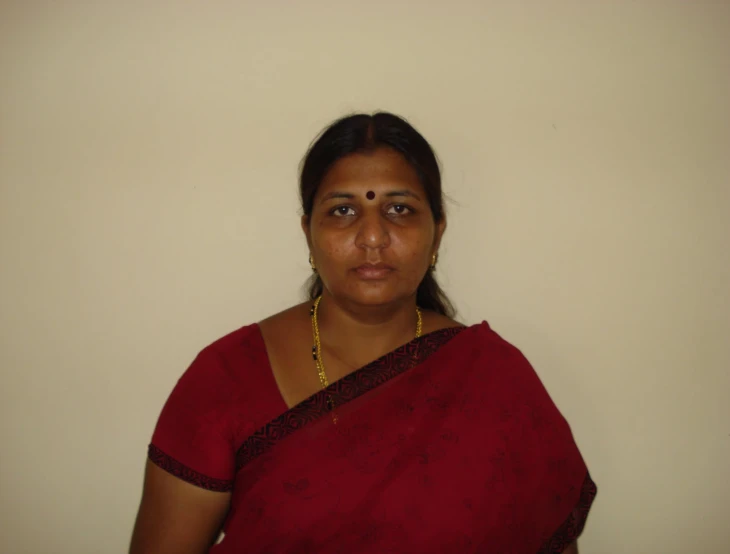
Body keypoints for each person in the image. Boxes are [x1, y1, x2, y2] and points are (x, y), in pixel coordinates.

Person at [129, 112, 596, 554]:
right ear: (307, 232)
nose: (372, 236)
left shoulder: (496, 379)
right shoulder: (226, 376)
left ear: (437, 232)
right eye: (342, 211)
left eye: (399, 208)